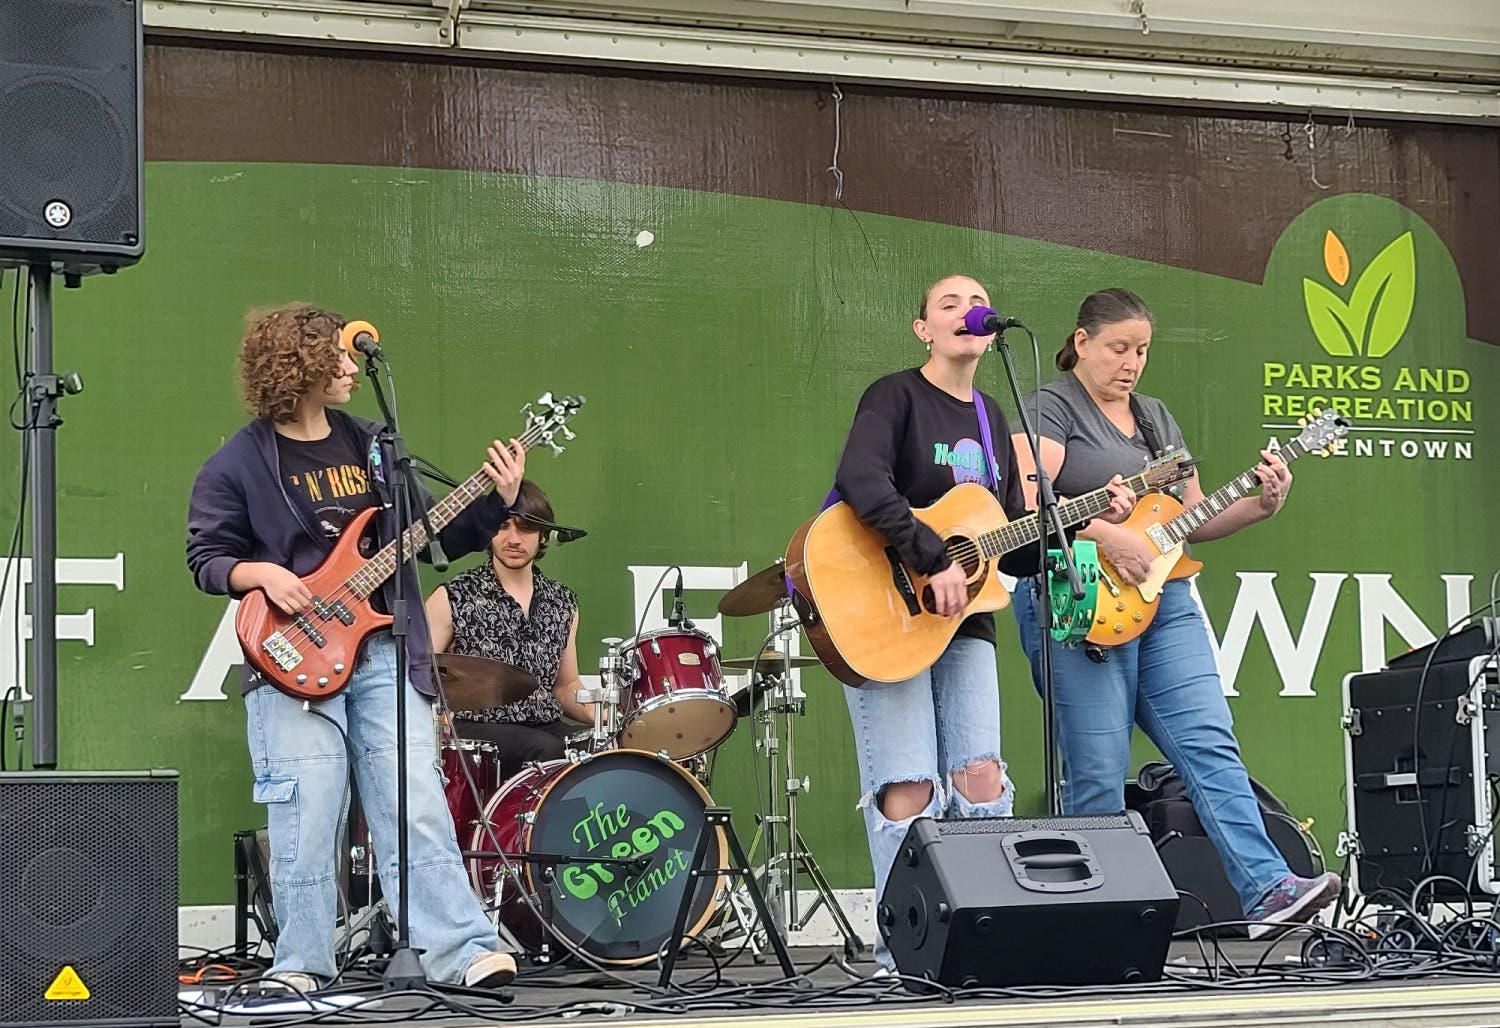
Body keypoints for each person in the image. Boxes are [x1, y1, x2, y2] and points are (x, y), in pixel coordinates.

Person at [187, 303, 523, 993]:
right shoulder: (240, 461)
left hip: (379, 651)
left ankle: (460, 950)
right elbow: (208, 558)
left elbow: (435, 537)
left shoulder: (372, 444)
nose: (349, 367)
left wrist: (496, 500)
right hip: (289, 660)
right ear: (297, 365)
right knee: (307, 811)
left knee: (415, 799)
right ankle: (301, 965)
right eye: (335, 357)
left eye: (350, 356)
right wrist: (264, 574)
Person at [1009, 286, 1340, 938]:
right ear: (1081, 342)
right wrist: (1109, 536)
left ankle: (1268, 889)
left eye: (1141, 351)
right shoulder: (1051, 406)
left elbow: (1190, 518)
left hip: (1166, 600)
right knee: (1097, 768)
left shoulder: (1156, 418)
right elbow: (1027, 510)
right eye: (1118, 348)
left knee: (1209, 744)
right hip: (1079, 597)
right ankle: (1095, 924)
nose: (1131, 363)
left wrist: (1262, 503)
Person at [830, 274, 1133, 972]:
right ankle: (902, 953)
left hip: (965, 620)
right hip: (884, 607)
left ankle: (986, 939)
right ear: (924, 329)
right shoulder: (895, 395)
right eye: (948, 304)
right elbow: (861, 480)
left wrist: (1083, 515)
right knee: (907, 786)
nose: (968, 311)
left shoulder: (996, 418)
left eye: (977, 302)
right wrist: (930, 555)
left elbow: (1008, 546)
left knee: (980, 779)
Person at [425, 479, 592, 780]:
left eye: (525, 527)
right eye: (503, 526)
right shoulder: (453, 596)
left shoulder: (562, 601)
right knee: (546, 749)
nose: (514, 538)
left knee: (601, 748)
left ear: (542, 536)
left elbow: (565, 686)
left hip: (544, 725)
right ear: (488, 531)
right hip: (475, 731)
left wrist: (605, 716)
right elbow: (417, 676)